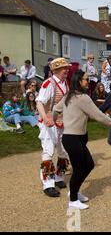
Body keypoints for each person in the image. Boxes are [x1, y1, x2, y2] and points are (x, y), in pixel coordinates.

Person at [54, 70, 111, 210]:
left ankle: (75, 191)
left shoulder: (69, 95)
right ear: (79, 81)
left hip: (75, 138)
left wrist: (53, 120)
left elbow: (56, 109)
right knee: (79, 169)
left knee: (89, 164)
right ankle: (72, 200)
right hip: (72, 138)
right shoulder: (82, 97)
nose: (88, 81)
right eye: (86, 79)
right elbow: (98, 115)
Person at [36, 58, 71, 198]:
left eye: (67, 68)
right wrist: (45, 119)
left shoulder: (65, 83)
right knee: (48, 152)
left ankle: (59, 177)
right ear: (55, 70)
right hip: (49, 123)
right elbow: (39, 102)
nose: (66, 70)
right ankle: (48, 185)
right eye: (64, 68)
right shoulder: (48, 84)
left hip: (62, 122)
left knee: (63, 151)